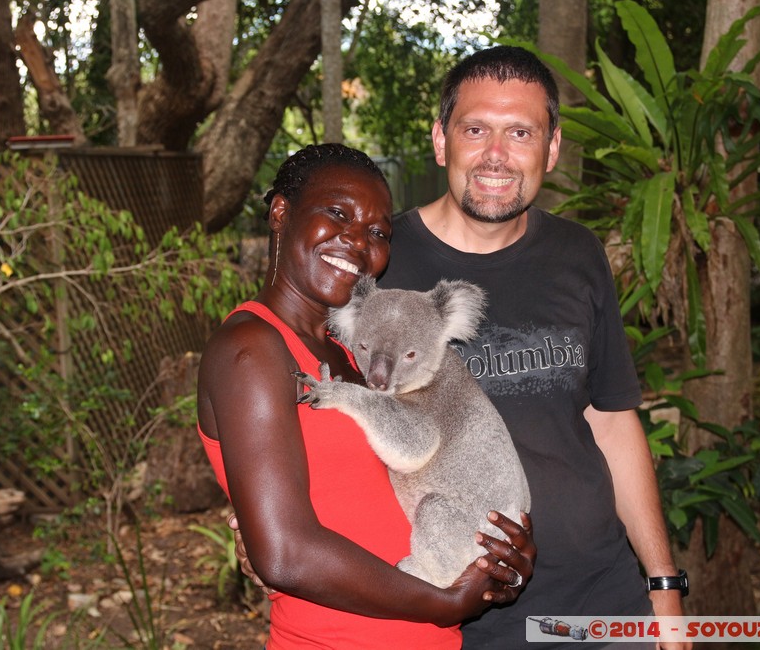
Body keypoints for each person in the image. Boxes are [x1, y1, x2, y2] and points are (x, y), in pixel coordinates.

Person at [376, 45, 689, 649]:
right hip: (456, 613)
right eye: (475, 130)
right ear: (442, 141)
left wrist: (663, 586)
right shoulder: (383, 263)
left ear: (551, 149)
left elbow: (612, 420)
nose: (497, 156)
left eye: (520, 132)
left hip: (601, 600)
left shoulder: (578, 254)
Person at [196, 143, 536, 649]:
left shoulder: (351, 353)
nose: (357, 241)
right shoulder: (253, 348)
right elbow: (285, 553)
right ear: (281, 213)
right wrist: (443, 603)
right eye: (337, 214)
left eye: (377, 232)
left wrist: (496, 562)